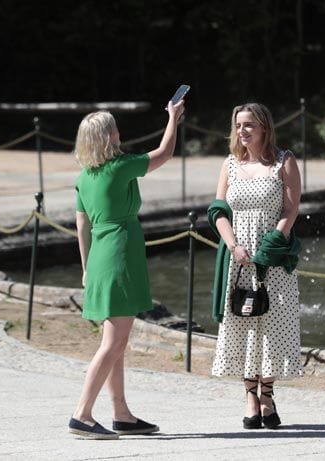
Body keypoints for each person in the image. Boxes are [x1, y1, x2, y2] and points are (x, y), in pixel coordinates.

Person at [68, 97, 185, 439]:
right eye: (114, 128)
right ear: (109, 136)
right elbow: (163, 153)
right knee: (113, 344)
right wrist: (173, 118)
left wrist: (86, 268)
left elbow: (81, 225)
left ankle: (121, 413)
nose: (120, 131)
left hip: (101, 258)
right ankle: (82, 414)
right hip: (120, 254)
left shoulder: (84, 177)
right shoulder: (118, 167)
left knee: (114, 342)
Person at [208, 102, 302, 430]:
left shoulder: (283, 161)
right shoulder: (230, 164)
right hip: (239, 258)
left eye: (249, 125)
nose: (242, 131)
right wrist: (233, 245)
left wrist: (270, 245)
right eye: (238, 125)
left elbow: (290, 209)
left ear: (264, 127)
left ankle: (268, 396)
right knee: (245, 323)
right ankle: (250, 396)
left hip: (271, 257)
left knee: (272, 324)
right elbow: (218, 209)